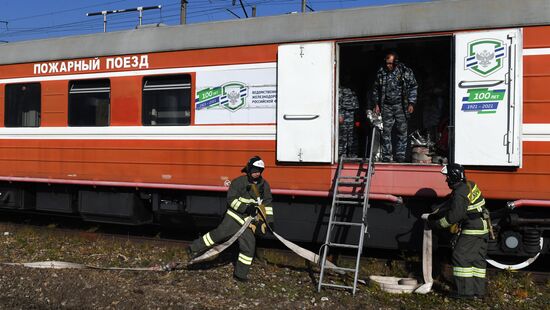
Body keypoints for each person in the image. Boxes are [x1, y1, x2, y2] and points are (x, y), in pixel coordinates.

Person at [187, 156, 274, 282]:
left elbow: (268, 204)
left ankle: (240, 275)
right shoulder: (238, 182)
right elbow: (231, 200)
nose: (257, 173)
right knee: (217, 235)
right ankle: (193, 248)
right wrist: (246, 208)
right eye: (255, 170)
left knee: (249, 247)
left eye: (259, 170)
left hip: (248, 223)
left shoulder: (264, 185)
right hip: (234, 217)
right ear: (249, 170)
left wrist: (270, 221)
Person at [427, 163, 489, 298]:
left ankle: (465, 292)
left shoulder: (460, 193)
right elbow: (455, 202)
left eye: (448, 177)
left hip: (473, 228)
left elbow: (455, 216)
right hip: (482, 227)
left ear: (454, 177)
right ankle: (478, 291)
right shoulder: (469, 185)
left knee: (460, 256)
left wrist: (436, 224)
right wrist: (438, 209)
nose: (446, 180)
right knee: (477, 260)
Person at [372, 51, 418, 162]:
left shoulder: (405, 72)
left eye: (390, 63)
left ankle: (400, 156)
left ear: (396, 62)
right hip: (386, 106)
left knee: (402, 131)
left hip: (401, 106)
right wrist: (376, 104)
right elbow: (375, 89)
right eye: (387, 63)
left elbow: (413, 86)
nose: (388, 66)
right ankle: (387, 156)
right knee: (386, 132)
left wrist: (411, 103)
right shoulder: (381, 72)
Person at [338, 79, 360, 157]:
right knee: (343, 135)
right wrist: (340, 115)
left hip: (353, 114)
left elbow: (357, 105)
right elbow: (338, 102)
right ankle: (342, 154)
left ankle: (352, 153)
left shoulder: (354, 89)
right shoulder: (341, 89)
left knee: (353, 135)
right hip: (344, 113)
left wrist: (357, 118)